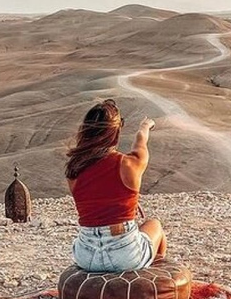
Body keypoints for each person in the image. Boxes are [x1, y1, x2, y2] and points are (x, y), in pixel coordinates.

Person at [66, 99, 167, 272]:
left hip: (86, 255)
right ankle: (158, 284)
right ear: (115, 132)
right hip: (125, 253)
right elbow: (140, 142)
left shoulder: (74, 170)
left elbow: (97, 196)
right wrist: (145, 126)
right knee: (155, 225)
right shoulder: (129, 164)